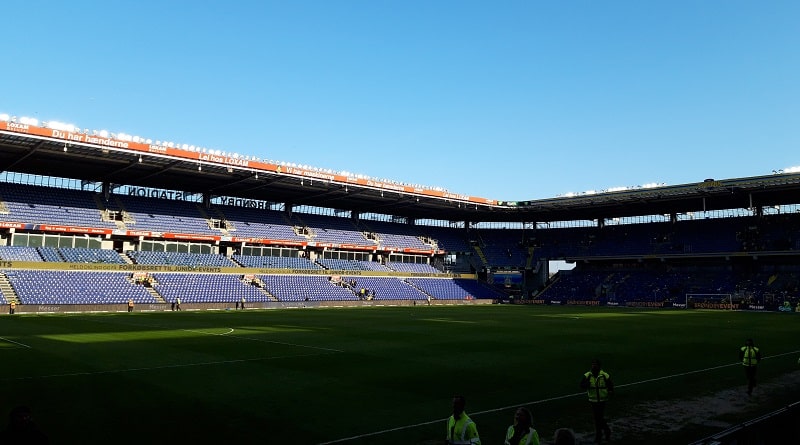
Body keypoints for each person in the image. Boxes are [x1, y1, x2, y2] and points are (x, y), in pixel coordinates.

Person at [580, 358, 613, 444]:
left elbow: (610, 384)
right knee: (598, 418)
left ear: (599, 366)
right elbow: (581, 385)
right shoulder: (587, 375)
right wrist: (586, 385)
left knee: (598, 418)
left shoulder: (604, 375)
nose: (594, 366)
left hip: (602, 399)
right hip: (593, 400)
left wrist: (610, 391)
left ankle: (600, 435)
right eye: (593, 364)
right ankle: (605, 431)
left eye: (595, 364)